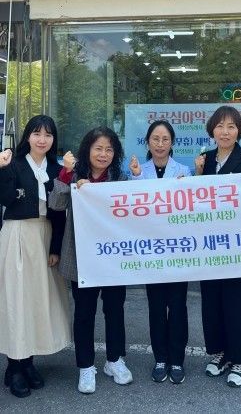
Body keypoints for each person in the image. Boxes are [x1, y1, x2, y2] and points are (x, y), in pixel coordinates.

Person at [49, 126, 133, 394]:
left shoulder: (120, 179)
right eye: (98, 148)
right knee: (84, 313)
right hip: (81, 258)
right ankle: (85, 366)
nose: (103, 154)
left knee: (115, 310)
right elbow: (55, 204)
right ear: (88, 150)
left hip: (113, 259)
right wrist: (70, 181)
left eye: (109, 149)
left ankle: (114, 360)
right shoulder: (74, 175)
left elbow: (134, 212)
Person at [0, 115, 71, 398]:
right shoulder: (13, 163)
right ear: (27, 136)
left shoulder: (57, 169)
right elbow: (5, 199)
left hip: (45, 235)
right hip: (18, 234)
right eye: (37, 133)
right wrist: (2, 169)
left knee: (37, 301)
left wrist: (55, 248)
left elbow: (60, 213)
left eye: (48, 134)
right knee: (17, 299)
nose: (42, 139)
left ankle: (28, 362)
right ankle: (14, 366)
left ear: (54, 139)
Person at [194, 105, 241, 387]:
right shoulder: (205, 160)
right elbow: (196, 200)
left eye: (231, 126)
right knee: (213, 301)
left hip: (240, 245)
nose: (225, 132)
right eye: (220, 126)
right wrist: (198, 174)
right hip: (211, 245)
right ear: (212, 130)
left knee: (240, 302)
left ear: (239, 131)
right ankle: (220, 353)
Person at [129, 120, 191, 385]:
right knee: (156, 307)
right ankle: (160, 358)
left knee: (177, 307)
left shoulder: (184, 172)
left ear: (172, 143)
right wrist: (134, 177)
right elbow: (131, 205)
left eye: (165, 139)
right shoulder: (137, 171)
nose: (160, 144)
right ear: (148, 142)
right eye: (155, 139)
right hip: (150, 252)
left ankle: (177, 359)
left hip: (177, 251)